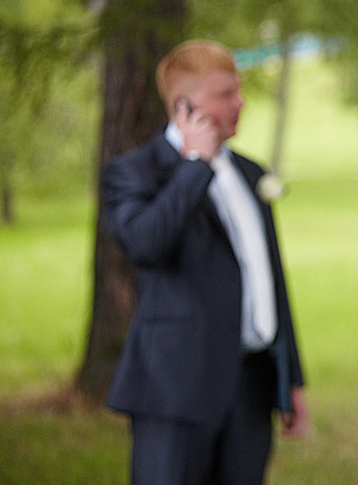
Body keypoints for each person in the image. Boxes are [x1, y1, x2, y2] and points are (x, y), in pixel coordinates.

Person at [102, 39, 308, 485]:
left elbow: (268, 277)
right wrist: (194, 163)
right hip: (175, 388)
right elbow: (144, 244)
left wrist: (289, 377)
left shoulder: (250, 173)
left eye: (238, 90)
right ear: (185, 105)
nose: (240, 102)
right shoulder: (134, 172)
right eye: (225, 94)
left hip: (251, 386)